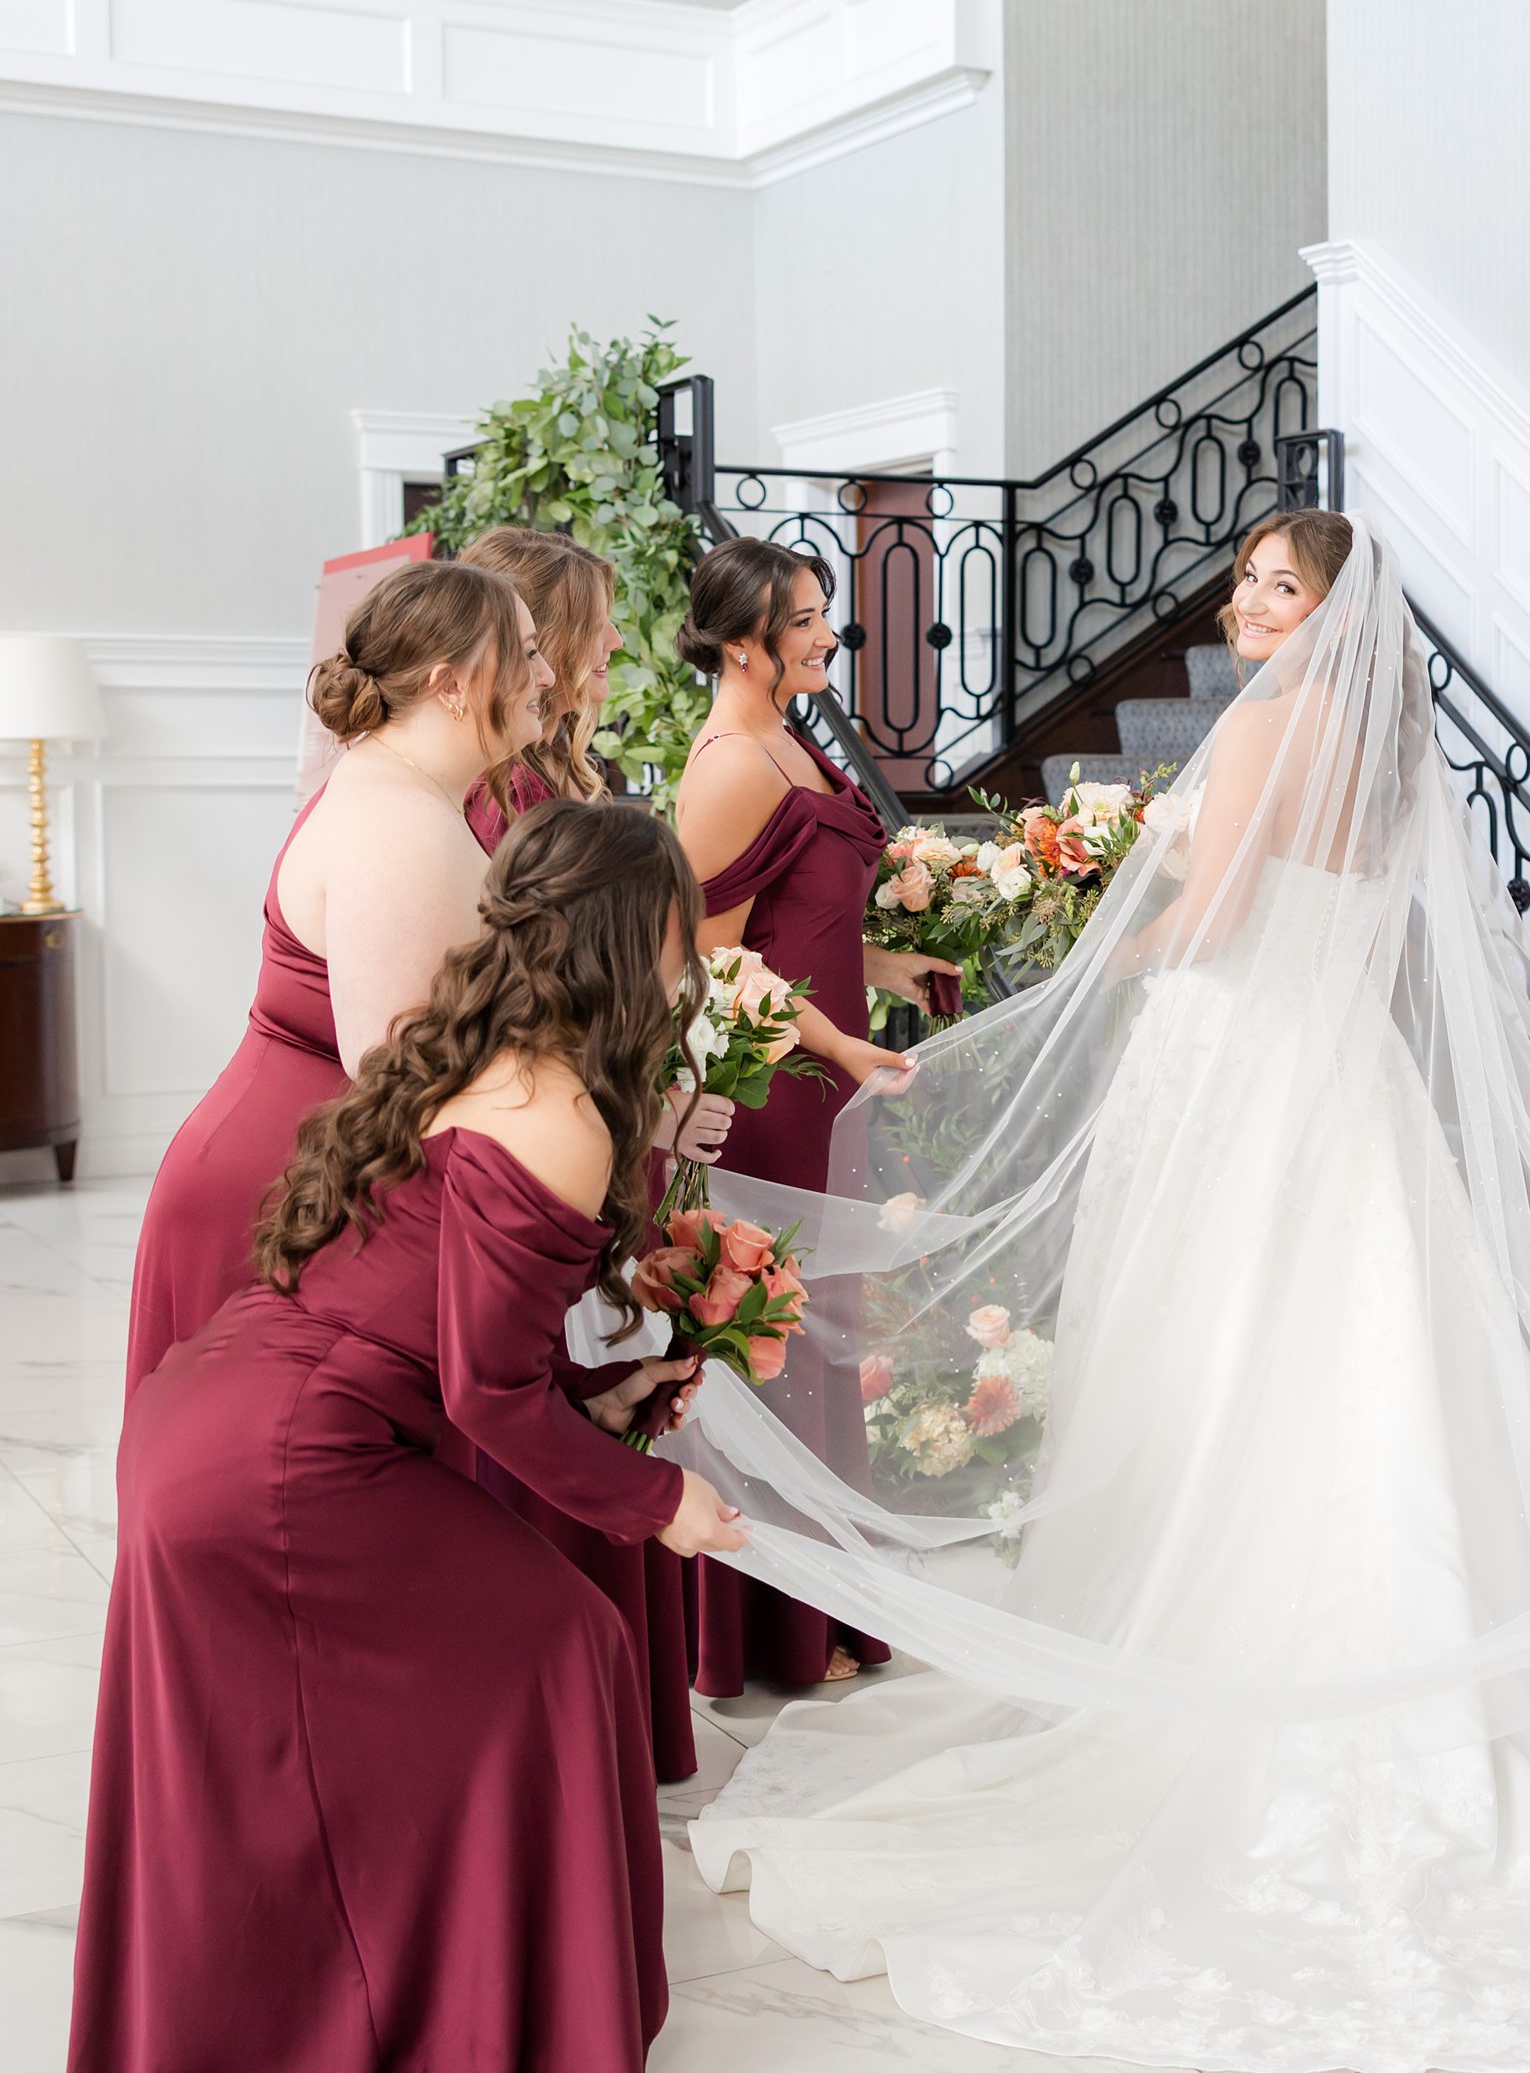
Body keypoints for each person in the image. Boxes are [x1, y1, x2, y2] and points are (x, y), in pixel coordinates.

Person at [679, 514, 1530, 2073]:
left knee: (1230, 1337)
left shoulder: (1271, 725)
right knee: (1368, 1340)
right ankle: (1443, 1652)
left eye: (1273, 586)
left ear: (1326, 612)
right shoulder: (1382, 740)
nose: (1243, 604)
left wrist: (1111, 936)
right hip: (1340, 1072)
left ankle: (1225, 1658)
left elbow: (1216, 920)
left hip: (1238, 1056)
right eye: (1242, 582)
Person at [14, 802, 752, 2073]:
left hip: (222, 1418)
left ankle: (421, 2012)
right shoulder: (560, 1110)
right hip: (288, 1465)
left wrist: (603, 1406)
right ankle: (491, 2042)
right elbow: (483, 1396)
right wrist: (657, 1504)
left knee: (466, 1682)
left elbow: (467, 1348)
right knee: (569, 1649)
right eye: (678, 928)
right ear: (628, 936)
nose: (691, 959)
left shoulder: (484, 1053)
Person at [123, 561, 548, 1389]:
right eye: (528, 654)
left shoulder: (406, 791)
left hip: (307, 1168)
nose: (549, 675)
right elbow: (399, 1063)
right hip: (286, 1190)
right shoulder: (399, 823)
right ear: (452, 685)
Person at [456, 523, 722, 1781]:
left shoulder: (569, 765)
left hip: (612, 1100)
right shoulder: (498, 795)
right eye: (598, 623)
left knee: (614, 1359)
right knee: (543, 1358)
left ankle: (625, 1700)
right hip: (573, 1115)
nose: (615, 644)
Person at [671, 539, 949, 1699]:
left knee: (823, 1339)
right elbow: (707, 959)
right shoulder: (731, 761)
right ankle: (766, 1633)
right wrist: (836, 1041)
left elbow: (807, 930)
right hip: (775, 1090)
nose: (828, 634)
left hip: (830, 1076)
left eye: (824, 613)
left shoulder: (793, 734)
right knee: (777, 1344)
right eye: (804, 619)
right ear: (741, 640)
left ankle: (825, 1613)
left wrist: (900, 965)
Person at [458, 523, 623, 843]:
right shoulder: (505, 795)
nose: (616, 640)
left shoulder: (557, 754)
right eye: (593, 626)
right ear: (538, 639)